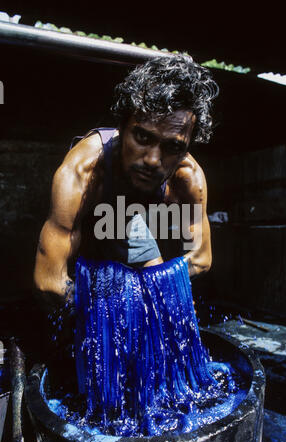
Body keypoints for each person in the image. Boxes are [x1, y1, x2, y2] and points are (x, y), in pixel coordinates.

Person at [33, 53, 218, 304]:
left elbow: (200, 259)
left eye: (172, 147)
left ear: (186, 148)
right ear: (122, 126)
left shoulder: (187, 176)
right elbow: (48, 280)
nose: (153, 160)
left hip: (129, 225)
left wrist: (161, 294)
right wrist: (115, 309)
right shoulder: (83, 171)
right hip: (85, 228)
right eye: (142, 137)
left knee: (163, 296)